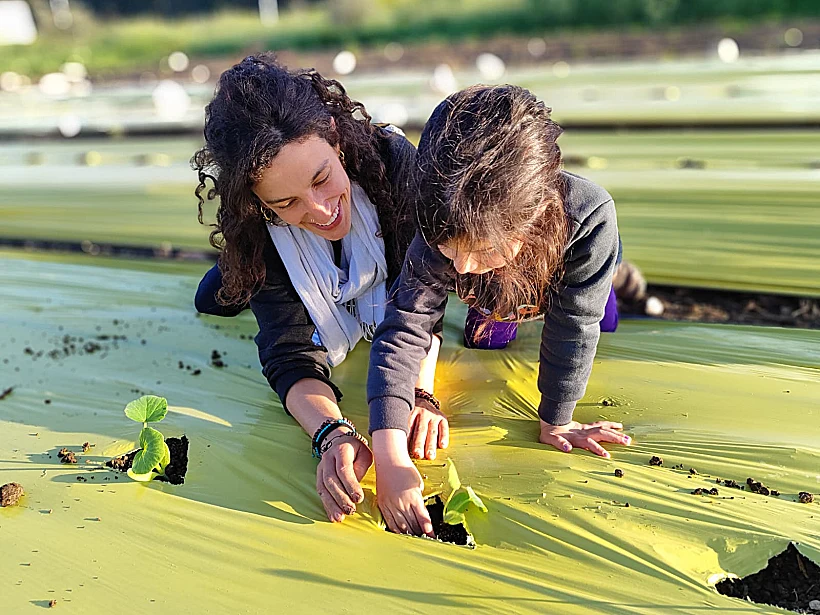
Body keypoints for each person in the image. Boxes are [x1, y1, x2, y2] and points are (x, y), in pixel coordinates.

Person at [190, 53, 450, 525]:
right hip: (257, 260)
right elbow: (290, 355)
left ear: (334, 136)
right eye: (287, 202)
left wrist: (420, 394)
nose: (321, 209)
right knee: (219, 295)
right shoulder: (259, 233)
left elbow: (422, 301)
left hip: (379, 222)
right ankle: (228, 274)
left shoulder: (395, 167)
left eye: (322, 178)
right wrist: (332, 433)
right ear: (259, 204)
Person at [366, 85, 632, 537]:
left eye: (480, 250)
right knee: (487, 336)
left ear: (533, 213)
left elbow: (574, 324)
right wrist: (390, 455)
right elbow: (405, 327)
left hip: (563, 276)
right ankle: (503, 302)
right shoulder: (443, 221)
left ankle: (624, 278)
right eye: (450, 251)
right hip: (504, 290)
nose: (462, 267)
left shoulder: (588, 217)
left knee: (601, 315)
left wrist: (558, 420)